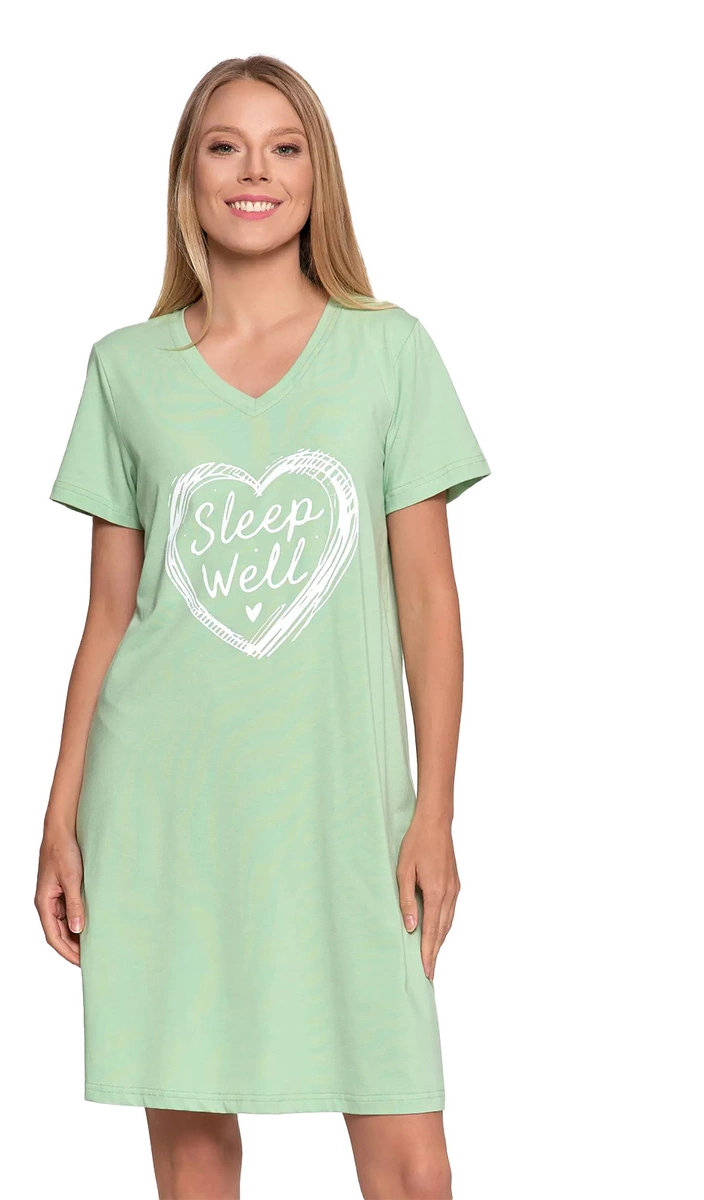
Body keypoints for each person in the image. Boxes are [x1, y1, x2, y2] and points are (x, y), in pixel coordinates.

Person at [36, 54, 491, 1200]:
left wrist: (434, 812)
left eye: (285, 148)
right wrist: (59, 816)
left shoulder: (390, 351)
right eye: (225, 147)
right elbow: (107, 615)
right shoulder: (125, 369)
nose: (256, 171)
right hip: (165, 810)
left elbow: (430, 601)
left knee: (409, 1158)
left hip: (346, 810)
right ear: (187, 178)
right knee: (194, 1152)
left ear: (317, 176)